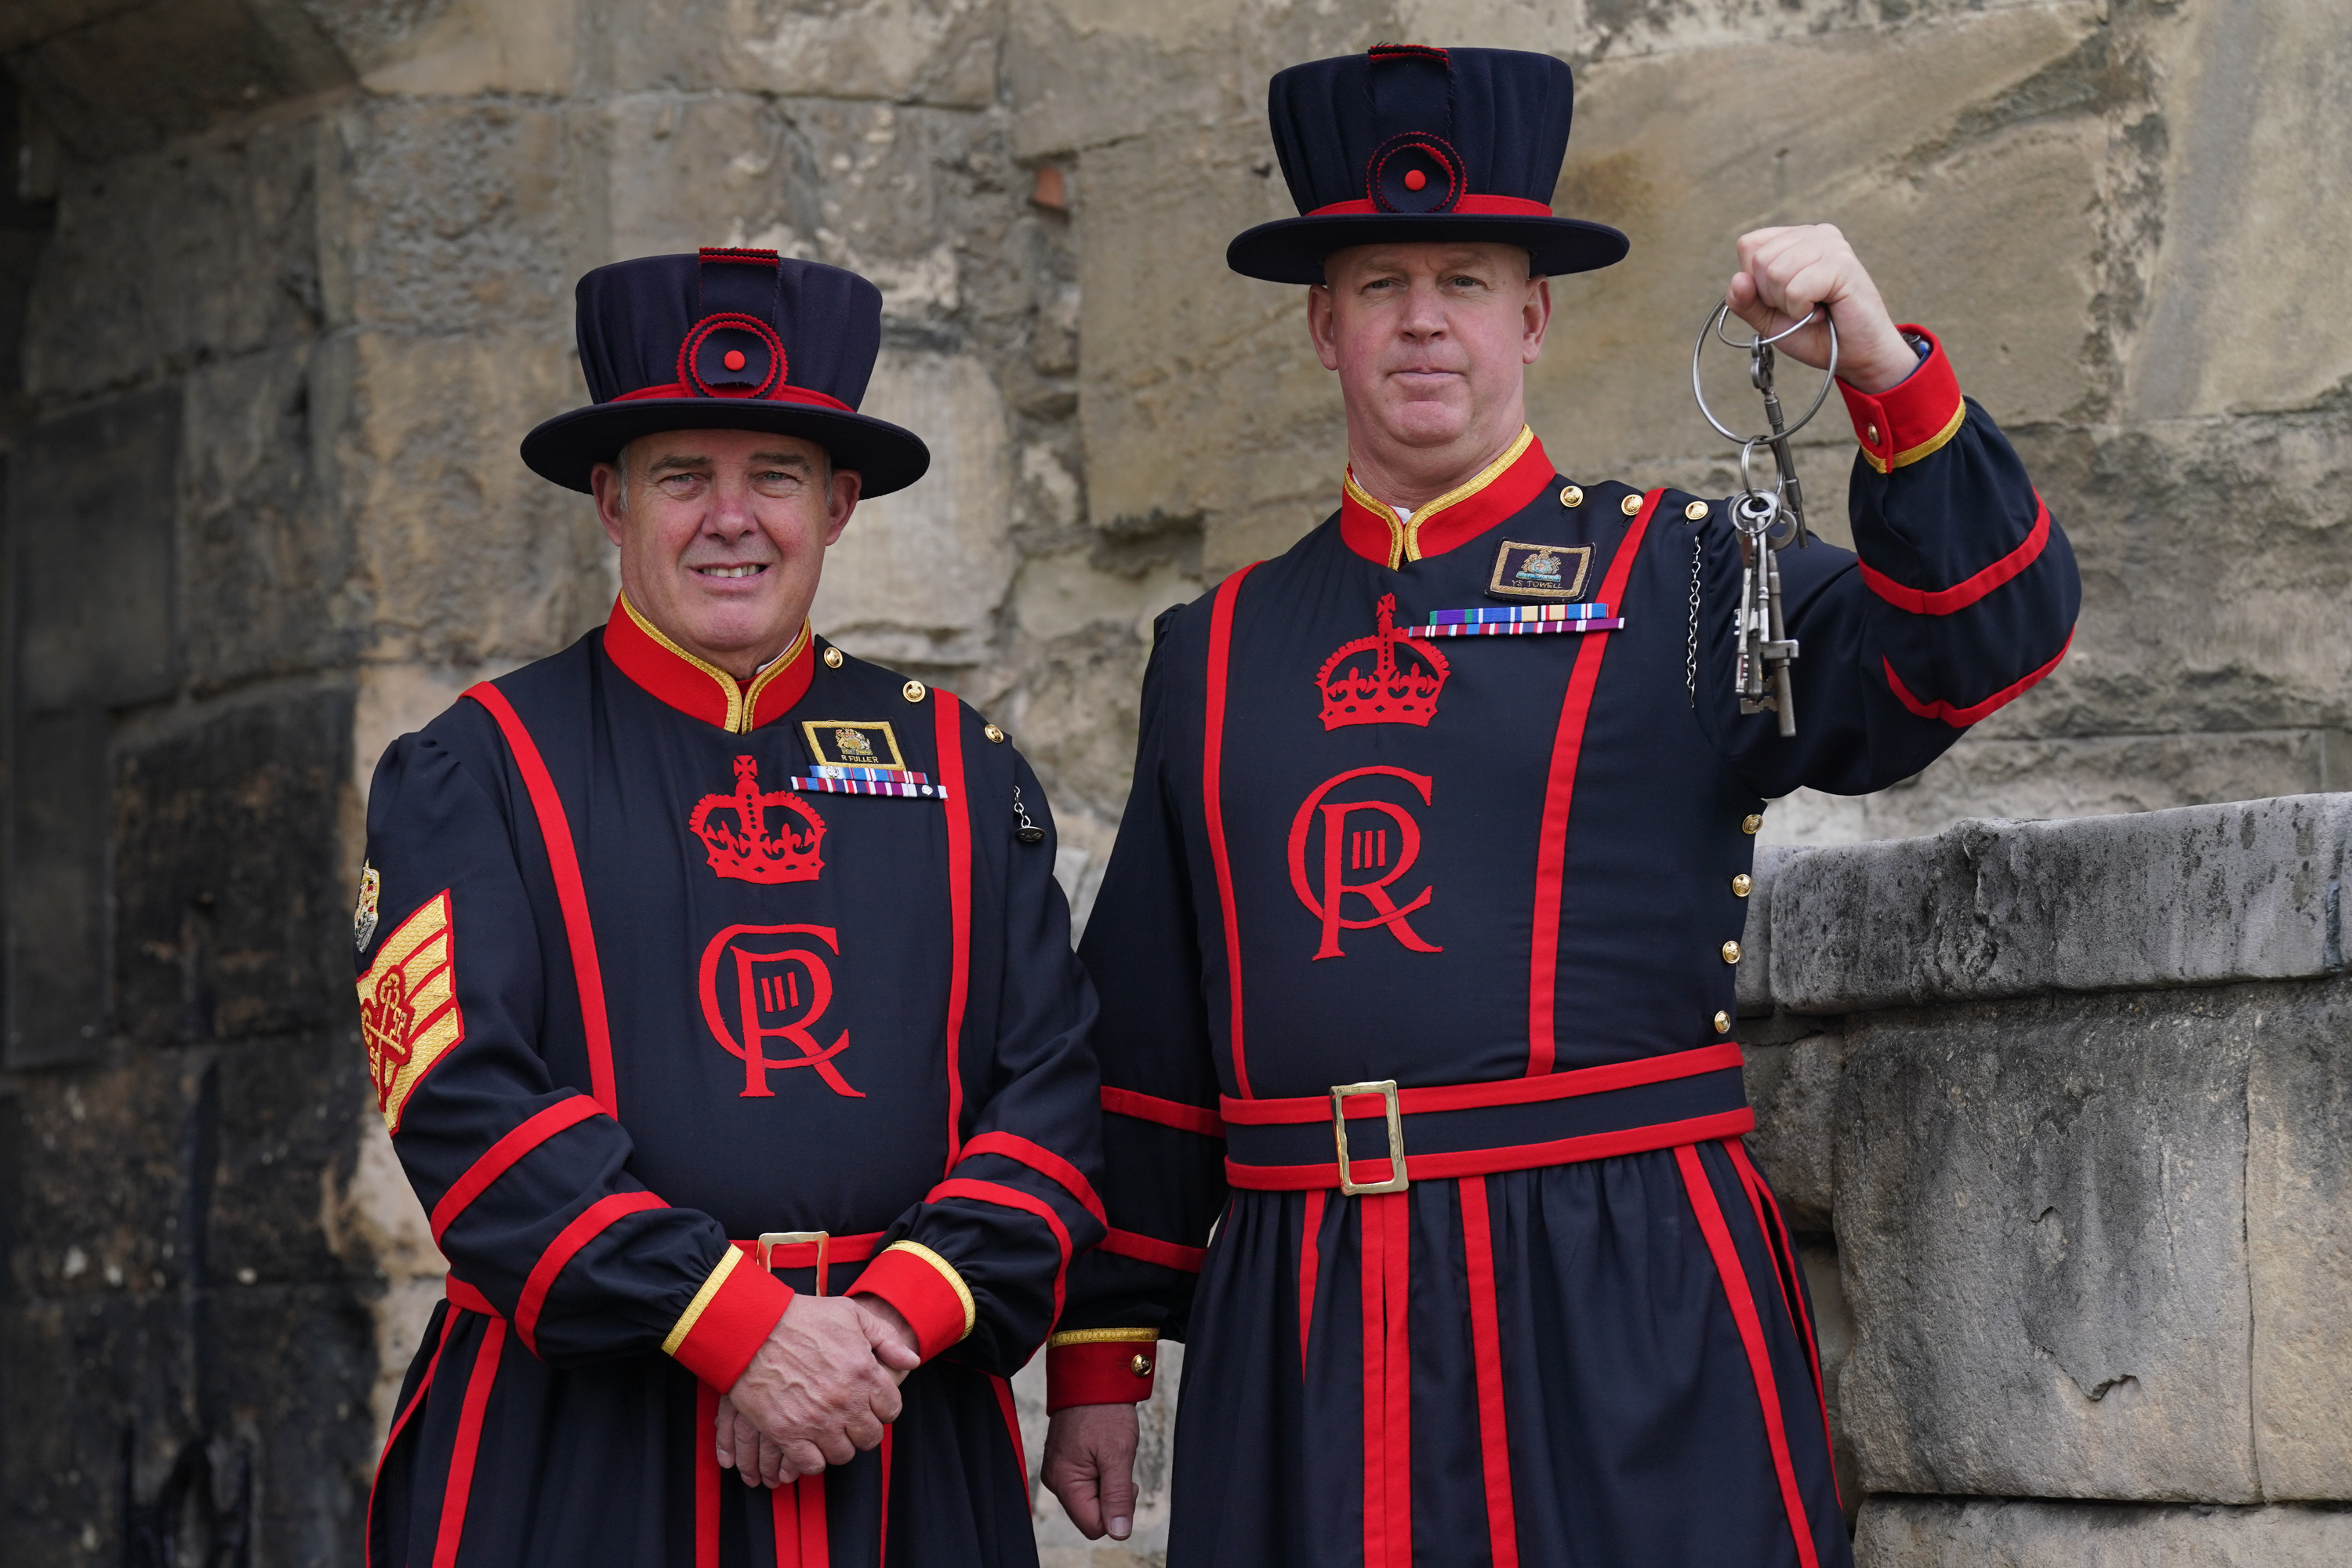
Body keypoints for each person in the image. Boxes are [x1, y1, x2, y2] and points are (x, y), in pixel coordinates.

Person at [1039, 45, 2077, 1568]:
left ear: (1531, 316)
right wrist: (1102, 1350)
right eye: (1379, 281)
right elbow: (1147, 1031)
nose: (1421, 318)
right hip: (1300, 1302)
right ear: (1322, 326)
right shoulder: (1213, 649)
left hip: (1617, 1289)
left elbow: (1981, 638)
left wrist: (1881, 367)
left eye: (1465, 277)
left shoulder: (1690, 577)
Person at [358, 247, 1105, 1567]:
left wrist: (872, 1332)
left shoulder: (962, 769)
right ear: (610, 499)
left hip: (900, 1431)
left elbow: (1051, 1097)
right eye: (682, 476)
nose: (731, 518)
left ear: (840, 503)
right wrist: (733, 1325)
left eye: (774, 476)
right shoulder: (472, 768)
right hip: (584, 1444)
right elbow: (462, 1112)